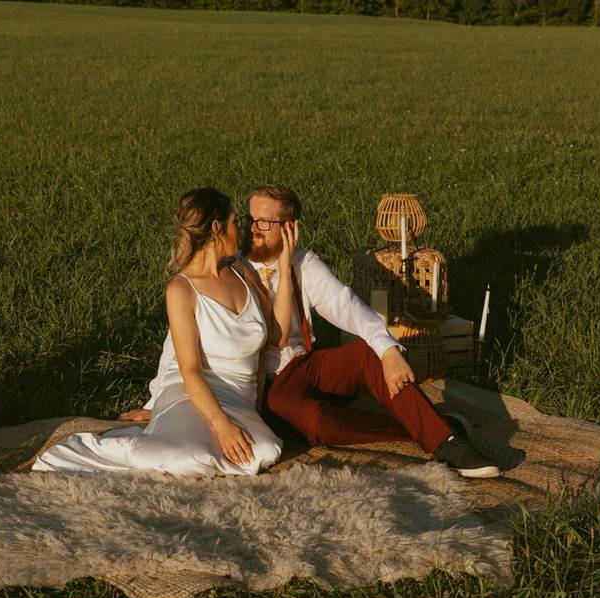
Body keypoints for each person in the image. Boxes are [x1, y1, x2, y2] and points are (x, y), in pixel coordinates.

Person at [120, 184, 499, 479]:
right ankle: (427, 427)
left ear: (289, 228)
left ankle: (446, 443)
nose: (253, 229)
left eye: (264, 223)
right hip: (262, 389)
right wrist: (157, 403)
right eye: (250, 219)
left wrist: (387, 348)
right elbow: (181, 344)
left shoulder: (305, 265)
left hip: (302, 367)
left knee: (367, 353)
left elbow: (346, 306)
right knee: (316, 422)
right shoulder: (226, 268)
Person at [32, 187, 293, 476]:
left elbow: (276, 336)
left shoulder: (243, 273)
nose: (240, 230)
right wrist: (222, 426)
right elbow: (190, 370)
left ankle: (181, 435)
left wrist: (285, 262)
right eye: (234, 222)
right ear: (217, 228)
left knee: (267, 451)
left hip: (238, 398)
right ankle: (121, 445)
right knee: (190, 457)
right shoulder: (181, 289)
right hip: (190, 392)